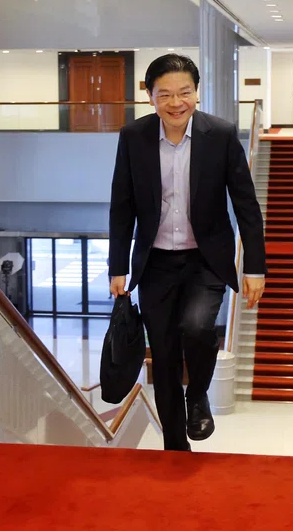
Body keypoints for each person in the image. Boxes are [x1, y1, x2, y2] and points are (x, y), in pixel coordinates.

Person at [108, 54, 266, 452]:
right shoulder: (133, 137)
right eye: (165, 94)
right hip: (156, 262)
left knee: (197, 327)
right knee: (161, 355)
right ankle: (175, 448)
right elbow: (121, 205)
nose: (176, 103)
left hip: (205, 259)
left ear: (197, 92)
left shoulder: (222, 134)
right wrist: (118, 266)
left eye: (185, 92)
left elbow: (246, 204)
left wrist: (255, 268)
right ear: (149, 96)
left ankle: (197, 392)